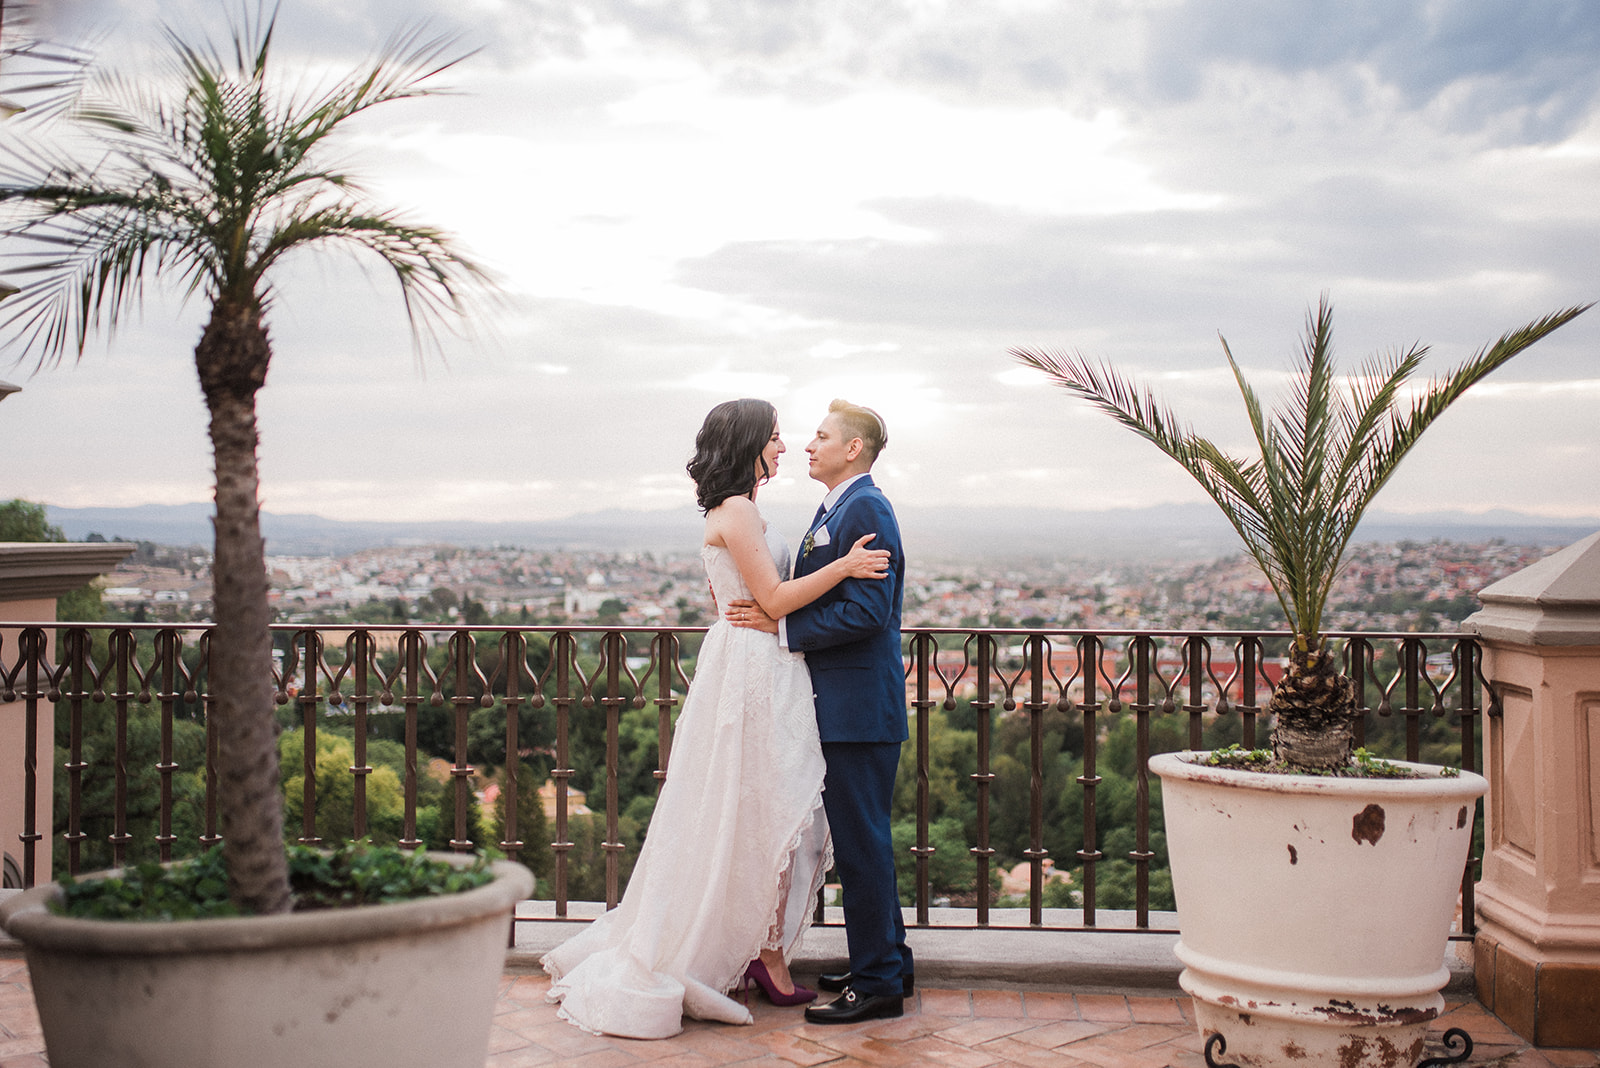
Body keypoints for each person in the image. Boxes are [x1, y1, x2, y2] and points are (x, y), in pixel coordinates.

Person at [541, 398, 891, 1040]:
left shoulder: (741, 510)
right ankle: (767, 953)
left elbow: (756, 598)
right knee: (756, 803)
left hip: (765, 662)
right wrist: (843, 567)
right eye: (777, 438)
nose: (787, 447)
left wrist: (782, 609)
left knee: (764, 804)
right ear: (751, 444)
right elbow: (776, 597)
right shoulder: (735, 511)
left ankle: (766, 949)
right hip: (755, 668)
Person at [727, 399, 913, 1025]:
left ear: (853, 448)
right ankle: (886, 961)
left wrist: (782, 626)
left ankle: (878, 983)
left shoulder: (865, 506)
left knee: (862, 845)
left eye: (822, 436)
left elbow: (868, 612)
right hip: (843, 704)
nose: (808, 445)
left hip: (859, 707)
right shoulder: (834, 506)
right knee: (864, 840)